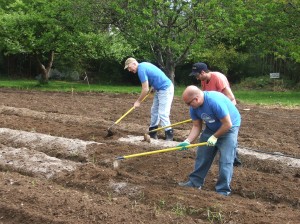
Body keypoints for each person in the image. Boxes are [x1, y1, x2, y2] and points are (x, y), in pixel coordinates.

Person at [177, 85, 241, 196]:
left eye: (188, 103)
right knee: (202, 156)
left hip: (229, 128)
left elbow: (227, 124)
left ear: (196, 99)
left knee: (226, 160)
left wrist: (215, 136)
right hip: (211, 128)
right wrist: (188, 141)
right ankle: (195, 182)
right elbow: (197, 126)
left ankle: (223, 190)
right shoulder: (194, 108)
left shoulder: (214, 101)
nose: (188, 106)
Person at [189, 62, 242, 166]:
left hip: (226, 108)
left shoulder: (218, 78)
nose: (197, 78)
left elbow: (230, 97)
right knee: (214, 130)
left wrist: (217, 111)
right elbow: (204, 97)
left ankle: (233, 158)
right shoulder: (204, 80)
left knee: (227, 133)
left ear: (203, 72)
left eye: (197, 75)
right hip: (214, 108)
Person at [124, 57, 174, 141]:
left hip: (165, 89)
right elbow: (155, 75)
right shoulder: (143, 65)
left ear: (134, 63)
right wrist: (154, 86)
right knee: (154, 110)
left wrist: (138, 101)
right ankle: (152, 133)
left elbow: (145, 89)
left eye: (129, 67)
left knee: (163, 113)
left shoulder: (141, 70)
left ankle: (169, 134)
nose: (129, 70)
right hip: (159, 89)